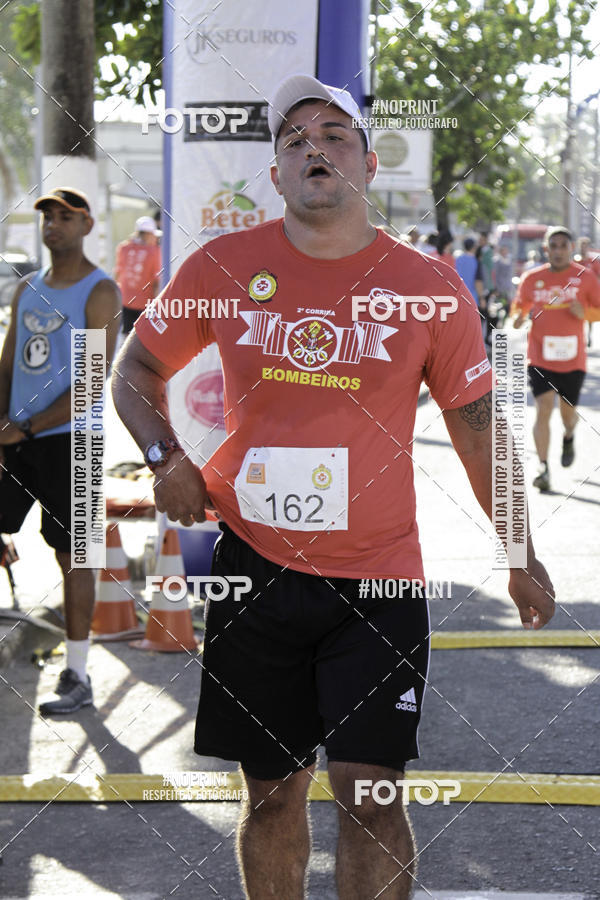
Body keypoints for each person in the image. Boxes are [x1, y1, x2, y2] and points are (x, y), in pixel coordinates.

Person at [113, 75, 555, 899]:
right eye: (293, 140)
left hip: (380, 578)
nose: (314, 147)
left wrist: (520, 550)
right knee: (273, 796)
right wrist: (165, 455)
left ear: (368, 163)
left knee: (371, 798)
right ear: (276, 176)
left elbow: (478, 428)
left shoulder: (429, 286)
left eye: (334, 134)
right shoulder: (221, 265)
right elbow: (135, 367)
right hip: (255, 568)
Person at [0, 187, 121, 713]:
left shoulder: (101, 292)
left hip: (76, 441)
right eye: (47, 215)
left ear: (87, 225)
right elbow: (7, 366)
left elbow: (93, 382)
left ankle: (76, 674)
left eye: (65, 216)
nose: (53, 223)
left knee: (76, 557)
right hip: (17, 438)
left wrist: (25, 429)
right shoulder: (26, 287)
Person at [511, 225, 600, 492]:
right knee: (543, 409)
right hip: (539, 357)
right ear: (545, 249)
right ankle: (543, 466)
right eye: (554, 245)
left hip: (572, 360)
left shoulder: (585, 278)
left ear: (571, 249)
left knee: (567, 414)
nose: (558, 251)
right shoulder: (531, 278)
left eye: (564, 245)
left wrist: (583, 311)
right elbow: (518, 310)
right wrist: (517, 318)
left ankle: (569, 436)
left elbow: (599, 311)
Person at [114, 215, 162, 334]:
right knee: (143, 342)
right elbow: (157, 282)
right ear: (147, 234)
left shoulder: (123, 248)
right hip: (146, 306)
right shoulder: (154, 251)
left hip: (125, 302)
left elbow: (117, 275)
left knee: (126, 337)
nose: (155, 238)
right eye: (153, 235)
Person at [455, 237, 484, 306]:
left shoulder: (458, 260)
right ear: (474, 247)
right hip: (472, 298)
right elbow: (478, 281)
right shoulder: (476, 262)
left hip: (459, 296)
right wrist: (481, 298)